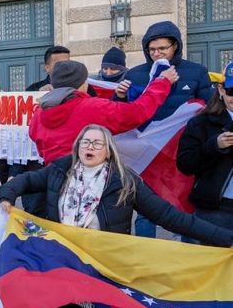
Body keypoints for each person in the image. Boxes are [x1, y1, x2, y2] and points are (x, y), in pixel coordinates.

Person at [0, 124, 233, 308]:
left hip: (98, 268)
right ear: (77, 146)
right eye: (86, 141)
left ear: (108, 150)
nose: (91, 147)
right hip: (60, 262)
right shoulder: (60, 170)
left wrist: (226, 239)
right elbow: (24, 181)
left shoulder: (124, 181)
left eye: (98, 143)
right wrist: (6, 194)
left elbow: (170, 217)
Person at [117, 20, 213, 239]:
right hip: (148, 154)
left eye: (162, 48)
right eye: (151, 49)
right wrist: (120, 96)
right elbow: (122, 115)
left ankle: (188, 257)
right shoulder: (134, 75)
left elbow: (210, 108)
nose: (156, 53)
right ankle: (146, 258)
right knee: (146, 210)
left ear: (175, 46)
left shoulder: (197, 72)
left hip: (184, 152)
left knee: (186, 206)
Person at [30, 60, 177, 165]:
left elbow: (35, 139)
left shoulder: (38, 113)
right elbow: (137, 112)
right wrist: (162, 82)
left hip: (55, 180)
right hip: (88, 181)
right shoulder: (92, 108)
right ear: (82, 84)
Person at [177, 63, 233, 241]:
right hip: (215, 209)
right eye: (232, 91)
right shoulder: (201, 122)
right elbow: (185, 164)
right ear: (221, 90)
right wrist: (214, 145)